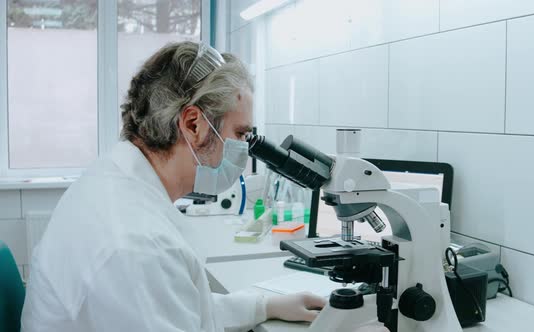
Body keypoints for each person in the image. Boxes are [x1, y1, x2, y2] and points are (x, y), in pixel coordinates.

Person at [20, 42, 327, 332]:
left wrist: (265, 306)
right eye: (240, 133)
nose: (244, 148)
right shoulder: (137, 245)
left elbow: (179, 306)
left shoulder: (113, 182)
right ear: (194, 124)